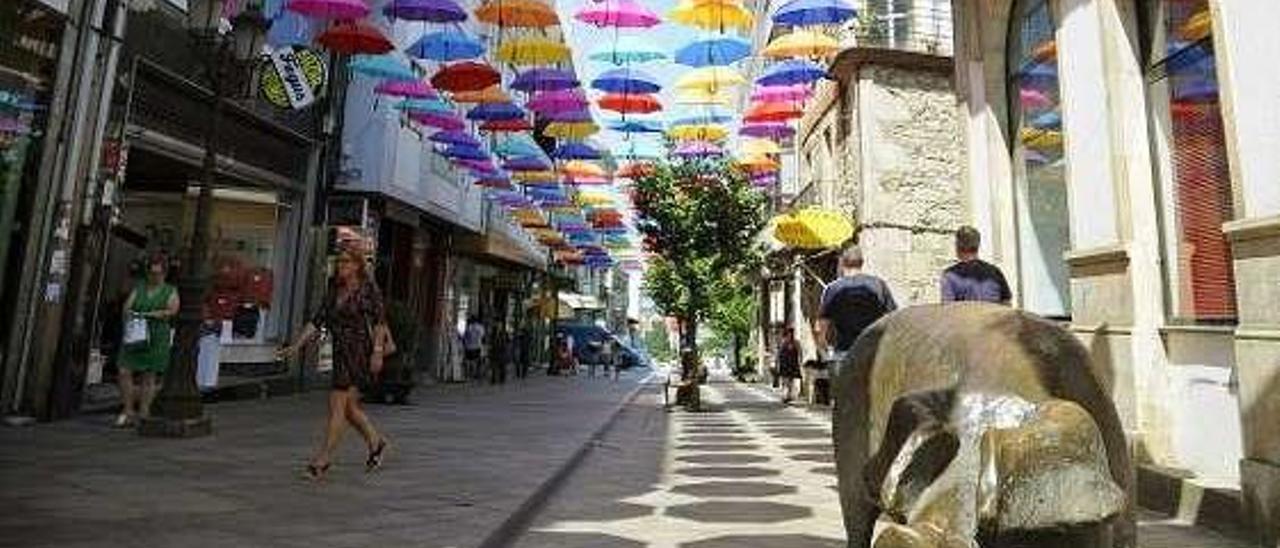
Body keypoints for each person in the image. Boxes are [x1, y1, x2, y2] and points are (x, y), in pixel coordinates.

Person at [279, 244, 391, 481]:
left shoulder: (368, 289)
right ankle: (376, 442)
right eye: (339, 261)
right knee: (349, 409)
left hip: (360, 351)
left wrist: (378, 352)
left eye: (347, 262)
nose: (342, 266)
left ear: (358, 265)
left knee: (337, 405)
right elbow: (318, 319)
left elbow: (380, 322)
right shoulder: (334, 289)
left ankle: (323, 459)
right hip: (341, 351)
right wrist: (297, 345)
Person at [115, 253, 179, 428]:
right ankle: (128, 410)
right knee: (124, 370)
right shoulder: (140, 287)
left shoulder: (170, 290)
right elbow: (127, 306)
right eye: (151, 273)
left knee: (148, 374)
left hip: (156, 335)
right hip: (136, 333)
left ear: (164, 274)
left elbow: (172, 309)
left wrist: (157, 314)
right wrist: (130, 314)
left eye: (158, 273)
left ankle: (144, 411)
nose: (154, 276)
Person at [816, 245, 897, 369]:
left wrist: (824, 350)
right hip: (873, 352)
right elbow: (893, 318)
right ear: (862, 263)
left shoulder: (833, 289)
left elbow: (821, 327)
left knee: (844, 388)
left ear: (842, 263)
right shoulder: (879, 285)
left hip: (844, 352)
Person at [940, 225, 1012, 305]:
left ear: (957, 247)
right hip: (992, 317)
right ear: (977, 246)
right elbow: (1007, 305)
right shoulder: (995, 272)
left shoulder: (950, 276)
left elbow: (948, 310)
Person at [776, 327, 801, 404]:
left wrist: (799, 361)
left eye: (791, 334)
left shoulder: (795, 343)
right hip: (786, 364)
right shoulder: (784, 343)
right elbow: (779, 355)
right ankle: (786, 396)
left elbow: (799, 353)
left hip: (791, 364)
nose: (790, 335)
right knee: (786, 381)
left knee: (790, 381)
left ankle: (787, 395)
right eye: (789, 334)